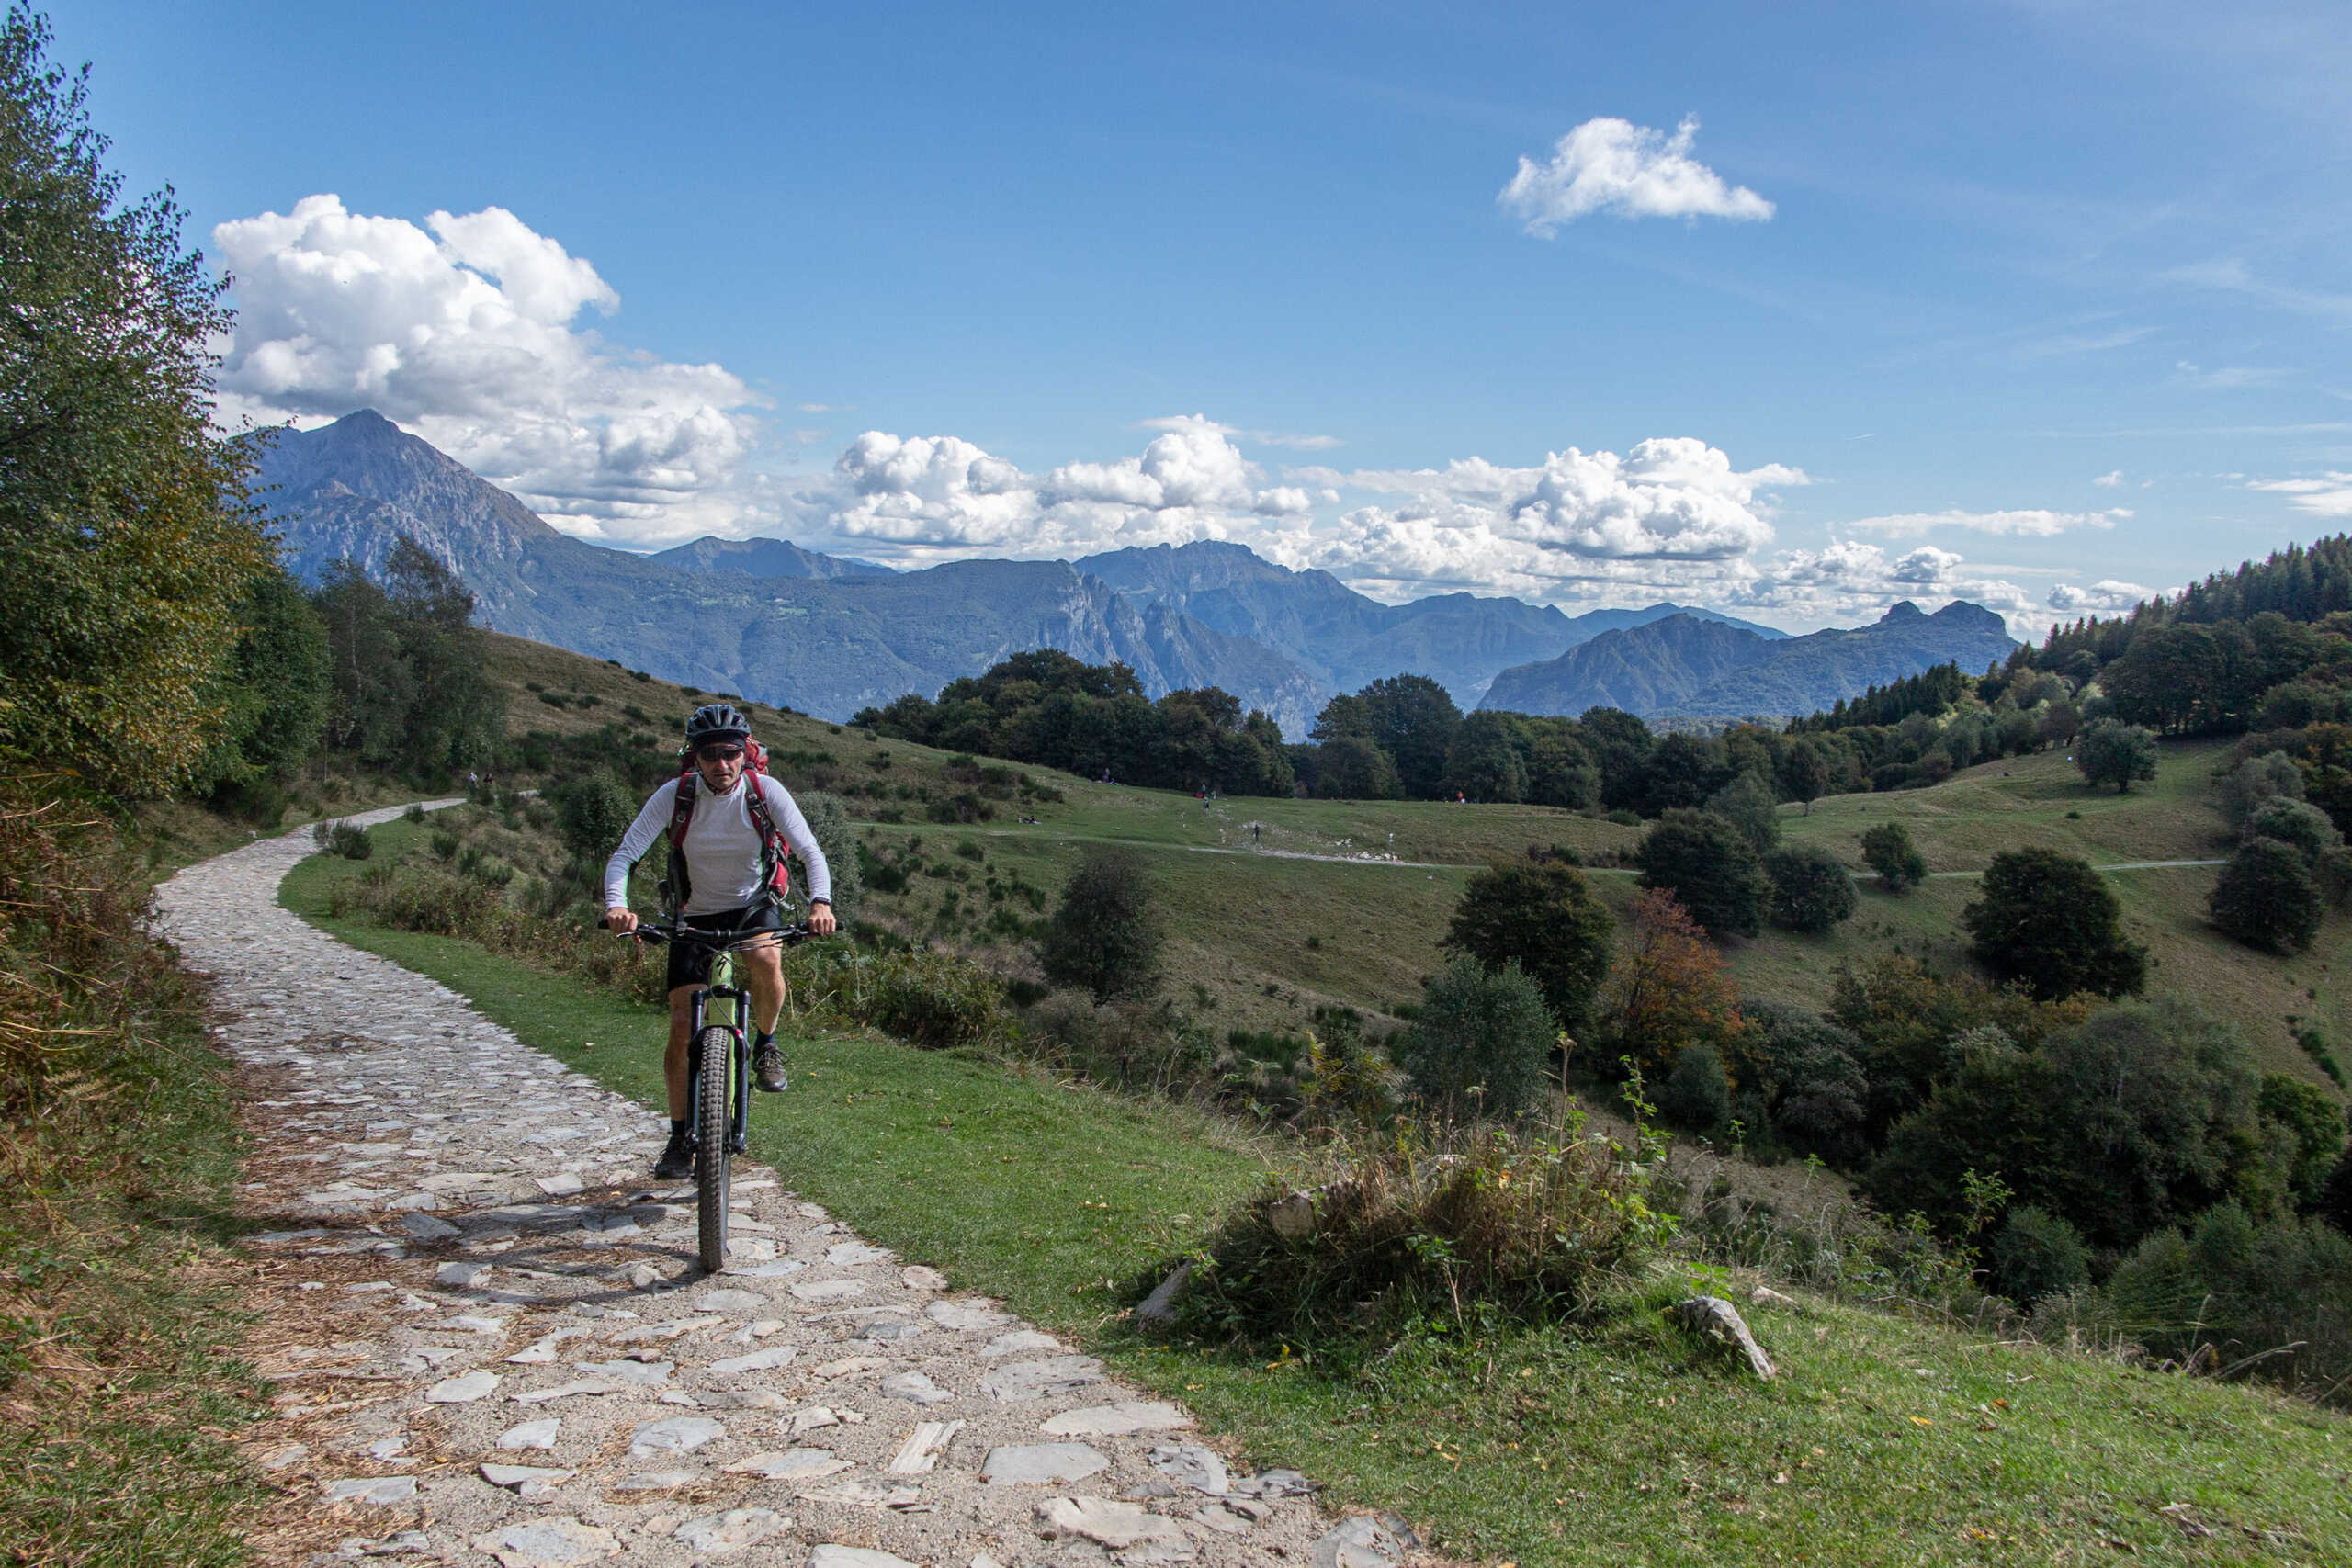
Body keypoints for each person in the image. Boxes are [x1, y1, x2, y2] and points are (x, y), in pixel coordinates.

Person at [603, 704, 836, 1179]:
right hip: (694, 915)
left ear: (745, 753)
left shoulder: (763, 791)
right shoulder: (676, 795)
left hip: (754, 905)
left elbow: (810, 849)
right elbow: (626, 854)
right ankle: (677, 1136)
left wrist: (820, 904)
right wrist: (616, 906)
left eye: (730, 753)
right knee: (681, 1024)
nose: (721, 764)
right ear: (695, 757)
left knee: (765, 956)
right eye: (710, 754)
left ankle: (767, 1045)